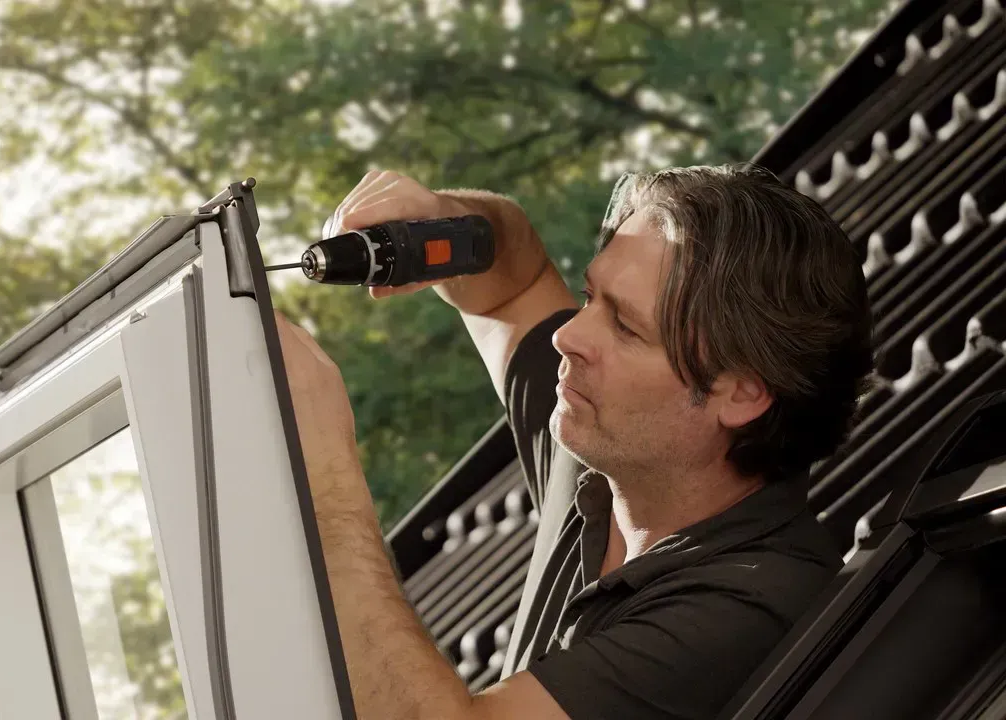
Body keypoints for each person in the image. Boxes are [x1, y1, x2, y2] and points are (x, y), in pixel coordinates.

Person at [273, 162, 875, 720]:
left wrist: (321, 482)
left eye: (626, 326)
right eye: (591, 298)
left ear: (741, 393)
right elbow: (512, 277)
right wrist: (442, 218)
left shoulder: (748, 609)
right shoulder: (612, 459)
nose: (568, 336)